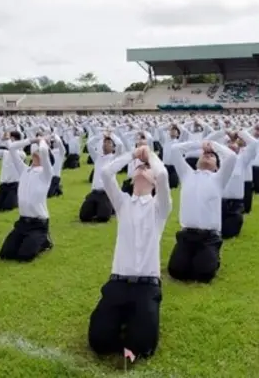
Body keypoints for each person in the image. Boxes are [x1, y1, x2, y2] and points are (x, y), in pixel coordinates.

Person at [87, 145, 172, 362]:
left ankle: (133, 319)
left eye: (147, 168)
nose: (143, 168)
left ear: (154, 182)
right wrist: (132, 155)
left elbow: (163, 174)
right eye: (139, 168)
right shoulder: (123, 203)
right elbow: (106, 173)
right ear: (132, 178)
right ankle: (123, 317)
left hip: (146, 286)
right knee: (99, 342)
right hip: (118, 283)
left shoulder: (159, 208)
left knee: (141, 347)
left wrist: (150, 155)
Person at [167, 139, 236, 282]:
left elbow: (231, 157)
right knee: (176, 271)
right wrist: (200, 144)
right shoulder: (187, 174)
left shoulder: (218, 178)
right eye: (204, 154)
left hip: (209, 238)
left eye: (212, 156)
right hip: (187, 235)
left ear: (217, 166)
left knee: (204, 274)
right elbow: (174, 150)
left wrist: (213, 145)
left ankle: (212, 255)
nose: (207, 155)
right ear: (197, 161)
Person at [0, 137, 53, 262]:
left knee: (25, 256)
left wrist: (42, 141)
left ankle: (44, 241)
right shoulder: (24, 170)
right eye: (35, 152)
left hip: (38, 223)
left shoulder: (46, 173)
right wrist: (32, 140)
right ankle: (29, 241)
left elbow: (44, 152)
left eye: (38, 152)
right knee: (5, 254)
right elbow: (11, 147)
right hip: (22, 222)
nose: (36, 154)